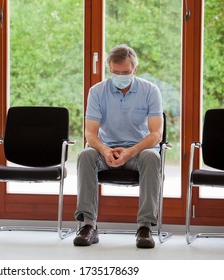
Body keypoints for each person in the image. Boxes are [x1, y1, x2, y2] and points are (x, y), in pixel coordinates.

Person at [73, 44, 163, 249]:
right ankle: (88, 225)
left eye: (126, 72)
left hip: (138, 151)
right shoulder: (96, 92)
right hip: (106, 150)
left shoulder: (150, 91)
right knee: (86, 155)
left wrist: (131, 151)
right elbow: (90, 133)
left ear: (135, 69)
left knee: (152, 156)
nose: (120, 76)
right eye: (115, 72)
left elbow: (156, 134)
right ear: (109, 69)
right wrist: (104, 150)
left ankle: (145, 227)